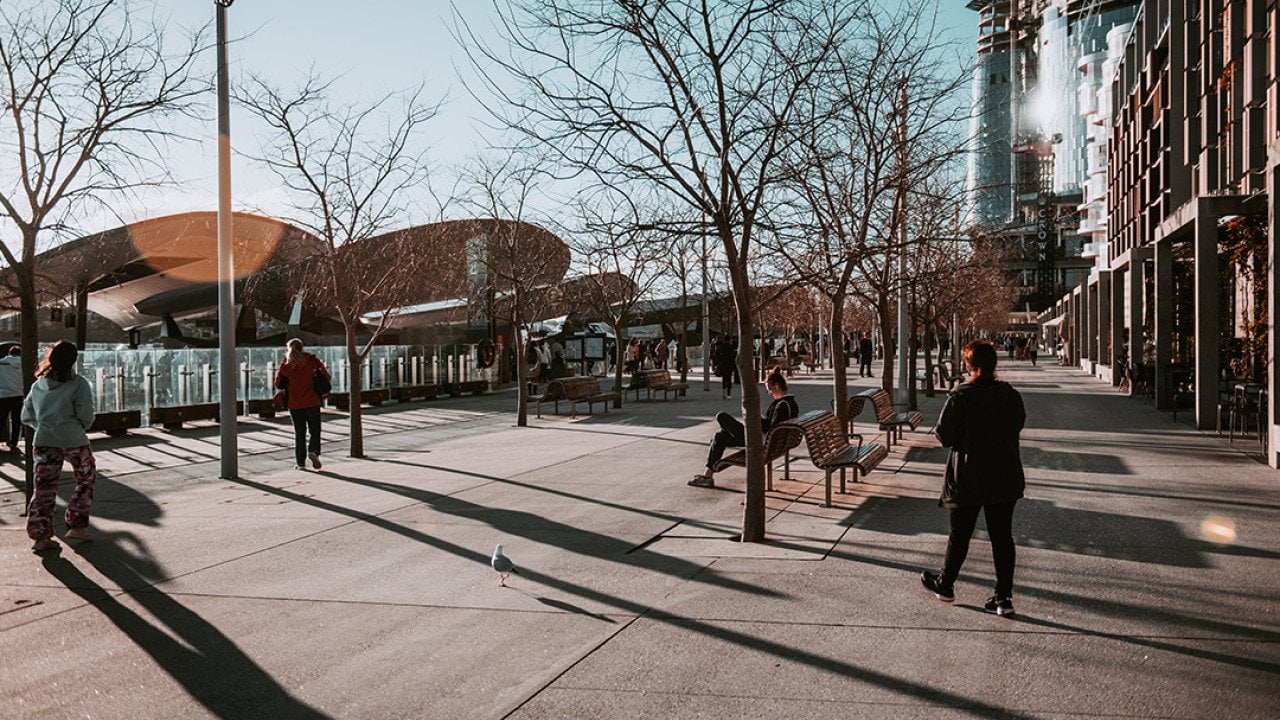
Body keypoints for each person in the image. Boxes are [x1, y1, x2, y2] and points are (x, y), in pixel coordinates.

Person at [921, 340, 1026, 616]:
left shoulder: (961, 397)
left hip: (968, 475)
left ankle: (945, 585)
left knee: (960, 534)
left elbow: (944, 436)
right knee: (1002, 536)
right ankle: (1003, 597)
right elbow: (1017, 426)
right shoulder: (1011, 396)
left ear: (969, 365)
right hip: (1004, 474)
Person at [23, 341, 97, 552]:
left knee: (43, 488)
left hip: (44, 441)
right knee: (86, 478)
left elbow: (25, 415)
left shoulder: (38, 385)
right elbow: (86, 415)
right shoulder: (78, 383)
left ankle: (40, 537)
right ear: (73, 361)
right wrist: (78, 427)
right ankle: (76, 524)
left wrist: (43, 426)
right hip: (74, 440)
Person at [689, 366, 798, 488]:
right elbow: (772, 426)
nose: (769, 392)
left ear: (777, 386)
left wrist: (755, 418)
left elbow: (769, 428)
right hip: (770, 443)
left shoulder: (781, 406)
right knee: (719, 436)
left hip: (759, 441)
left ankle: (707, 477)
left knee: (721, 416)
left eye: (770, 389)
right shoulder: (791, 404)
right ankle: (707, 476)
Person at [274, 338, 331, 471]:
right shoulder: (312, 361)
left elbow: (278, 384)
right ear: (302, 348)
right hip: (312, 401)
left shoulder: (286, 365)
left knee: (299, 433)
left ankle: (300, 464)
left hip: (294, 404)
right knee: (315, 431)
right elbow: (326, 377)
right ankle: (313, 451)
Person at [0, 345, 23, 452]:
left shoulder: (1, 363)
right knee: (16, 421)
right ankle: (13, 443)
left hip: (3, 395)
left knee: (1, 419)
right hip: (18, 395)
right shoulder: (24, 364)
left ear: (9, 353)